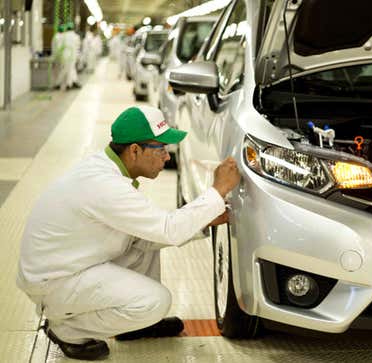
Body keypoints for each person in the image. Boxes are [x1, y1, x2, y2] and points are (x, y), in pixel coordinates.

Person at [16, 105, 239, 360]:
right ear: (135, 150)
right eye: (162, 149)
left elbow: (155, 229)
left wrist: (203, 221)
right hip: (54, 282)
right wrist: (217, 190)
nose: (167, 158)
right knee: (156, 301)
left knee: (147, 241)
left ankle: (137, 325)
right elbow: (169, 230)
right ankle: (67, 329)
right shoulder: (106, 186)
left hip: (69, 265)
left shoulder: (107, 170)